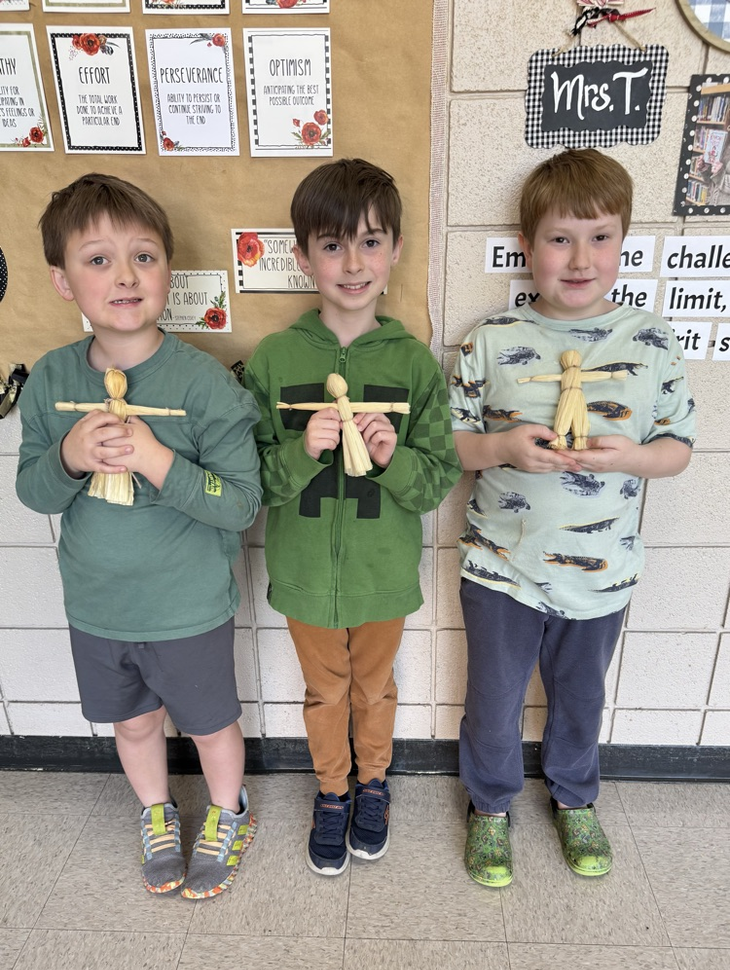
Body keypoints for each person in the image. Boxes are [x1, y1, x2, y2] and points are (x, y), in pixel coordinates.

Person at [449, 149, 696, 887]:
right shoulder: (488, 340)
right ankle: (489, 806)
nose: (580, 258)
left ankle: (574, 795)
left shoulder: (650, 341)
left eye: (600, 236)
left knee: (581, 697)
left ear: (625, 243)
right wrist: (503, 448)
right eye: (560, 238)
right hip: (502, 567)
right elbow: (449, 448)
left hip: (606, 571)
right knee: (493, 699)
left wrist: (629, 459)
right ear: (528, 247)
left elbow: (679, 449)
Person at [16, 174, 262, 899]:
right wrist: (68, 457)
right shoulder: (51, 381)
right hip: (97, 607)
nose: (124, 276)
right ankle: (156, 811)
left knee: (213, 727)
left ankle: (228, 811)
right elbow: (33, 490)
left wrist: (159, 461)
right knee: (131, 725)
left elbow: (242, 504)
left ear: (170, 273)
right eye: (97, 260)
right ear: (62, 281)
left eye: (144, 256)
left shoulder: (206, 387)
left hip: (186, 608)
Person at [245, 158, 461, 875]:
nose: (352, 262)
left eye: (371, 241)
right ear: (303, 256)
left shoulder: (415, 364)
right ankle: (332, 792)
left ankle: (374, 785)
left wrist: (393, 455)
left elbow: (434, 482)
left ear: (396, 250)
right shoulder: (273, 360)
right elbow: (251, 484)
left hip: (382, 575)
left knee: (374, 688)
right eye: (332, 244)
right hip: (306, 573)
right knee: (324, 691)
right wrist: (303, 452)